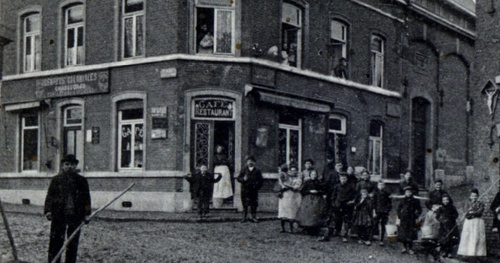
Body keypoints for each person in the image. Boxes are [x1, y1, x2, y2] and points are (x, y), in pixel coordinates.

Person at [44, 154, 91, 263]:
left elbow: (86, 199)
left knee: (73, 242)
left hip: (75, 215)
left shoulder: (82, 181)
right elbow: (50, 196)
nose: (69, 167)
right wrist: (48, 210)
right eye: (67, 164)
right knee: (56, 241)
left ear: (76, 166)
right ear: (62, 166)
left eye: (72, 164)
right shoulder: (56, 180)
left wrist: (87, 213)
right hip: (58, 215)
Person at [457, 188, 487, 257]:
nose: (474, 197)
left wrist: (473, 212)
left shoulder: (480, 204)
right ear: (470, 196)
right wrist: (470, 212)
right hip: (469, 222)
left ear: (478, 196)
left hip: (477, 222)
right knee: (468, 236)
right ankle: (467, 253)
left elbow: (480, 212)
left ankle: (476, 253)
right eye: (472, 196)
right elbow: (466, 213)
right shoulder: (467, 203)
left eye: (475, 196)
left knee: (476, 237)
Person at [296, 170, 327, 235]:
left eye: (315, 174)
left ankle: (315, 228)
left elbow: (324, 190)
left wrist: (318, 191)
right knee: (308, 213)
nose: (314, 176)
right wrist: (309, 191)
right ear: (310, 175)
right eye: (312, 174)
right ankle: (307, 227)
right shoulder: (307, 182)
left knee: (317, 213)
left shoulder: (319, 182)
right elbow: (302, 191)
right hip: (308, 199)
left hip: (317, 199)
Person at [236, 156, 264, 223]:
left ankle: (253, 217)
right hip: (245, 190)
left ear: (254, 162)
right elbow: (238, 178)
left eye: (251, 161)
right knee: (244, 204)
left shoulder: (257, 171)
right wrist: (243, 179)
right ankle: (244, 217)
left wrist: (257, 187)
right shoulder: (244, 170)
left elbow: (261, 180)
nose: (250, 162)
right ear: (247, 162)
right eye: (248, 161)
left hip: (253, 190)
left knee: (254, 204)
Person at [331, 173, 357, 243]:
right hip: (338, 205)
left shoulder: (351, 187)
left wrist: (352, 202)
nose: (343, 180)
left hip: (347, 206)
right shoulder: (336, 186)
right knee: (338, 219)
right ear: (339, 179)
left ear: (347, 179)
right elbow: (333, 196)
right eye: (342, 178)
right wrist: (334, 204)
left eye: (344, 178)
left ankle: (345, 235)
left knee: (347, 221)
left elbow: (355, 196)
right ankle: (337, 232)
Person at [277, 164, 302, 233]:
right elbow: (281, 183)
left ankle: (291, 229)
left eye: (295, 170)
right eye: (292, 170)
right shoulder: (286, 176)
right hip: (285, 195)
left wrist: (289, 186)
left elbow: (297, 186)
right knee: (283, 211)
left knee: (291, 212)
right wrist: (282, 186)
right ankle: (283, 228)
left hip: (293, 196)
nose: (293, 172)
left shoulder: (298, 178)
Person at [397, 186, 422, 255]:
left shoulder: (415, 200)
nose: (408, 193)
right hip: (404, 218)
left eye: (410, 192)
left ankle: (410, 248)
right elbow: (398, 209)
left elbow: (419, 209)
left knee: (411, 233)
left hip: (412, 218)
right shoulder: (402, 200)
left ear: (412, 193)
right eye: (407, 192)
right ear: (405, 193)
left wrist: (416, 215)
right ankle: (404, 247)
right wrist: (400, 215)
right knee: (404, 233)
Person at [437, 194, 459, 258]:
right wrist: (442, 220)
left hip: (451, 225)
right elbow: (437, 216)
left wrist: (451, 218)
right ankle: (443, 251)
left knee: (451, 239)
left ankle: (449, 252)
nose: (446, 201)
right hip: (443, 226)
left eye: (447, 200)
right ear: (442, 201)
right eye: (444, 200)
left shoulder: (452, 207)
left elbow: (456, 215)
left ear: (449, 200)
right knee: (443, 239)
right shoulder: (440, 208)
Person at [371, 180, 392, 246]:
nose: (381, 186)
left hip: (384, 211)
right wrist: (374, 211)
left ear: (384, 186)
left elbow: (389, 203)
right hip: (377, 211)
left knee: (383, 225)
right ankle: (370, 238)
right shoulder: (375, 193)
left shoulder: (387, 193)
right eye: (379, 185)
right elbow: (373, 203)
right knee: (374, 224)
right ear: (377, 186)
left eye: (382, 185)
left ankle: (382, 239)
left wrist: (388, 210)